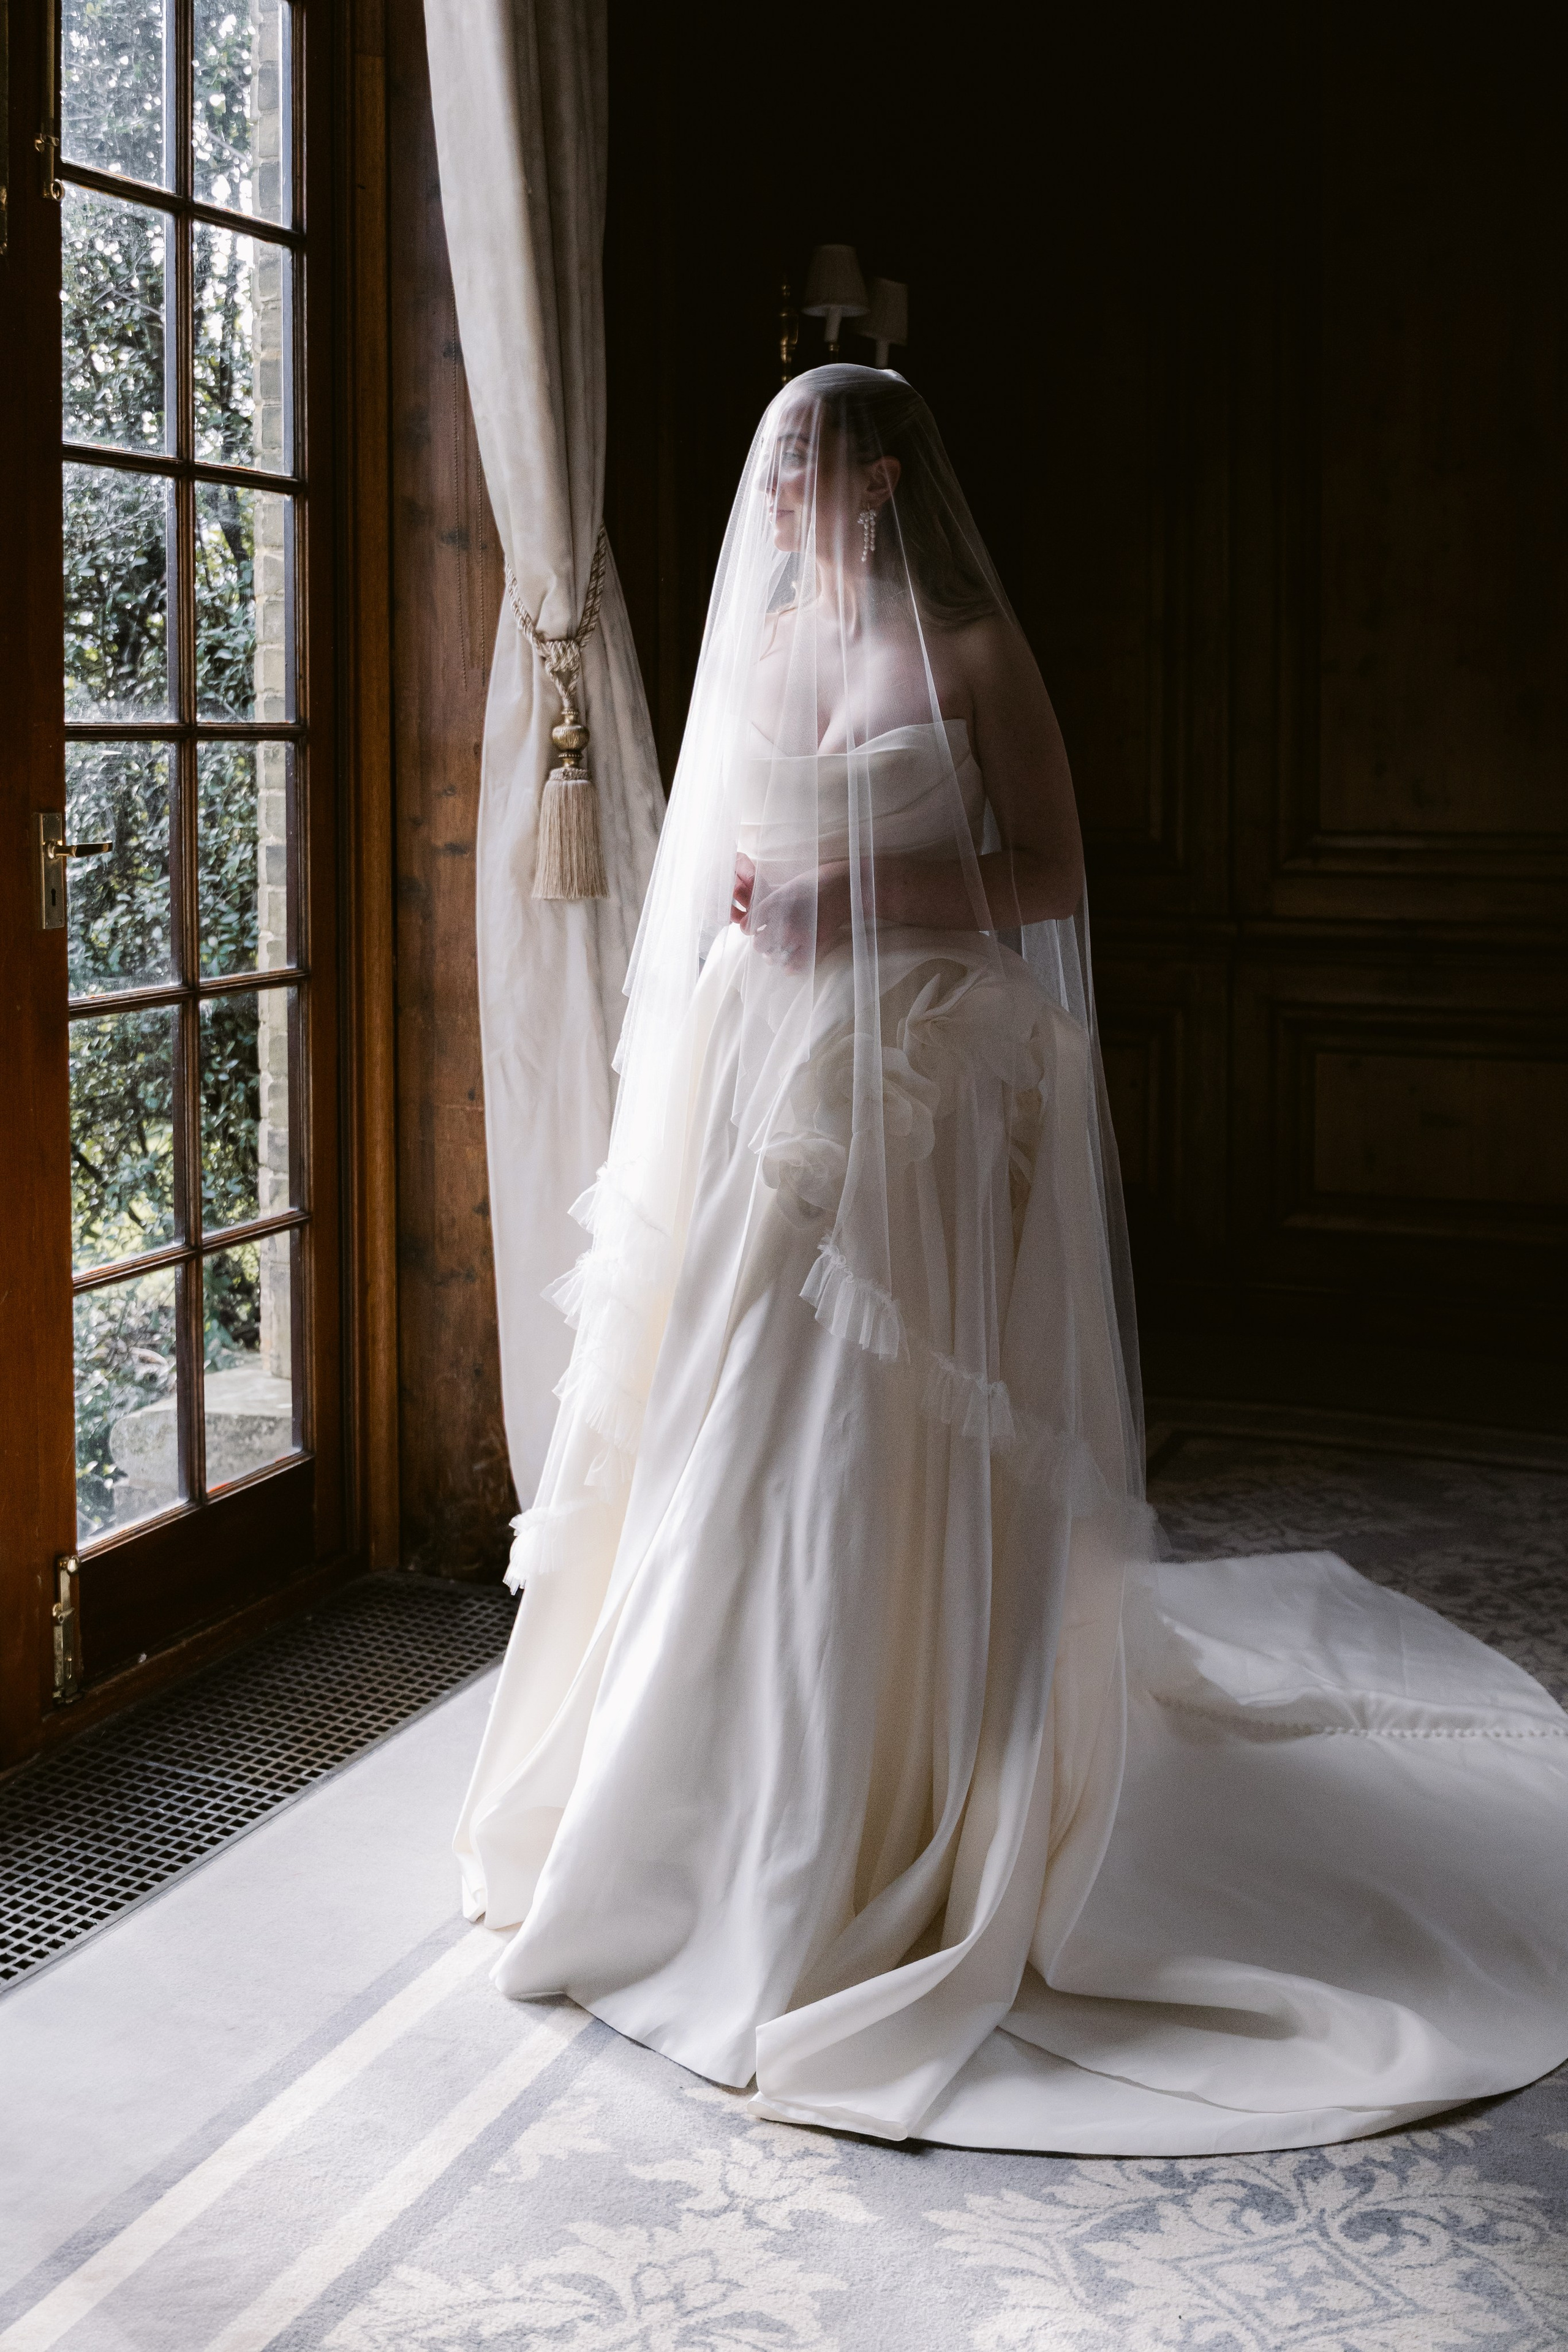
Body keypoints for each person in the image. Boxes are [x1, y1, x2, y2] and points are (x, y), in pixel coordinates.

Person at [456, 366, 1568, 2154]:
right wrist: (756, 918)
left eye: (812, 471)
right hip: (771, 1073)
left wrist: (849, 906)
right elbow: (723, 865)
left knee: (886, 1423)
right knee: (737, 1407)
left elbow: (1046, 872)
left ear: (887, 482)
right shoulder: (761, 640)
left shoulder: (967, 655)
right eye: (776, 469)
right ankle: (699, 1802)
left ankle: (912, 1787)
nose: (784, 498)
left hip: (917, 1082)